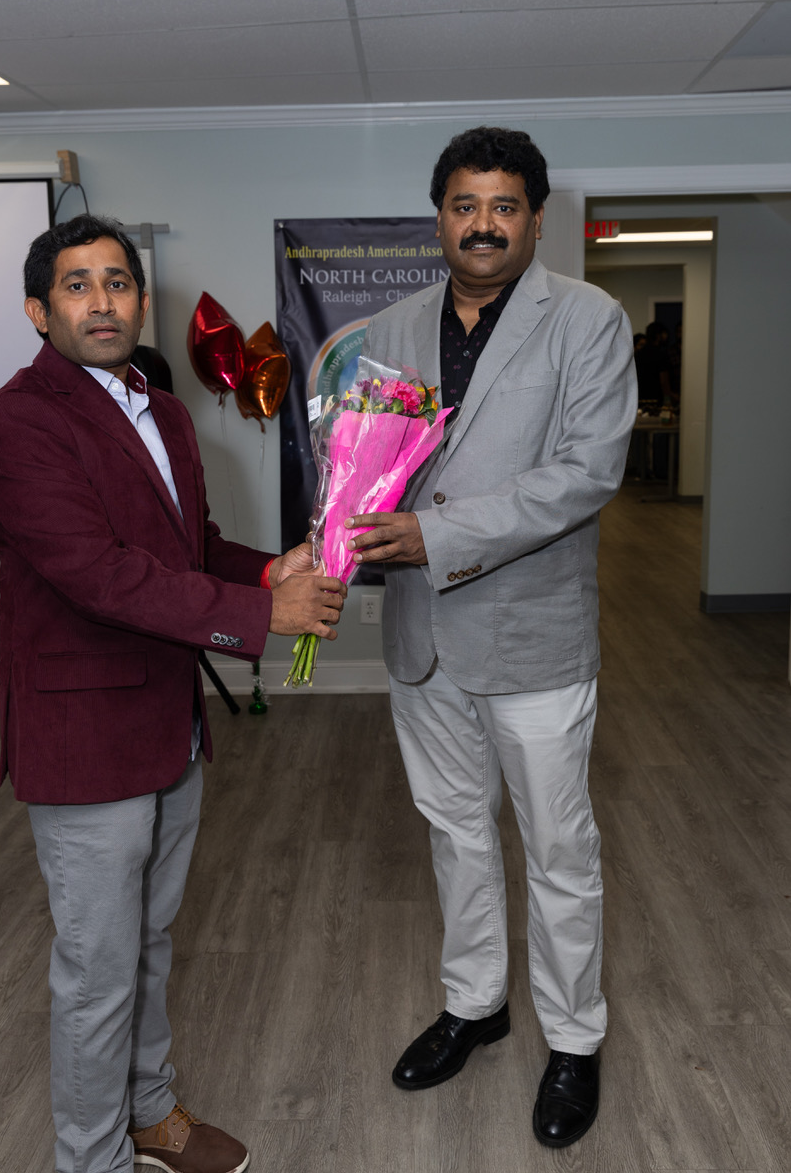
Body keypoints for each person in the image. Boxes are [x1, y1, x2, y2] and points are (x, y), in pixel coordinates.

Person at [0, 214, 345, 1173]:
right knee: (97, 970)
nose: (101, 301)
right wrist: (262, 617)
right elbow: (100, 576)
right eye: (77, 284)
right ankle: (91, 1159)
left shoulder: (162, 409)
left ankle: (148, 1115)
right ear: (39, 311)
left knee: (148, 940)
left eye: (117, 281)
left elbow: (189, 550)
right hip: (84, 736)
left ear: (141, 300)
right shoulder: (18, 420)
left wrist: (267, 571)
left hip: (166, 723)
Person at [346, 128, 636, 1148]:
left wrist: (435, 535)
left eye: (503, 206)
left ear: (535, 219)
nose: (482, 224)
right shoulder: (391, 327)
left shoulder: (588, 320)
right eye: (464, 205)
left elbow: (584, 474)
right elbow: (371, 462)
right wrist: (342, 521)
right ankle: (474, 1004)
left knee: (559, 849)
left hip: (533, 639)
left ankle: (573, 1037)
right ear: (439, 217)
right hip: (421, 637)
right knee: (454, 832)